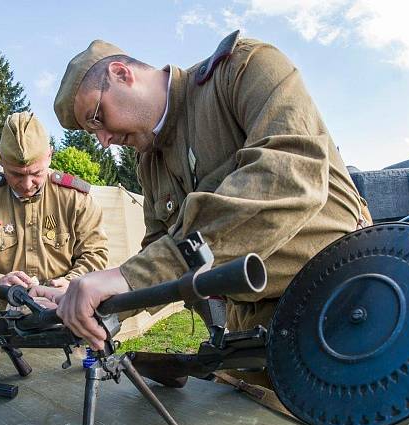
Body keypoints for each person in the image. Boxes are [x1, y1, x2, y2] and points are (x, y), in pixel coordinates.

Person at [38, 31, 371, 355]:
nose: (103, 140)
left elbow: (288, 177)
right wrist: (91, 299)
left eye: (97, 118)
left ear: (121, 74)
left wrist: (127, 278)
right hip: (257, 331)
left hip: (350, 300)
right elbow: (158, 256)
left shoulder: (243, 68)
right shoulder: (149, 163)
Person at [0, 111, 109, 299]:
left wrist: (72, 283)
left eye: (36, 173)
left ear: (49, 156)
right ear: (0, 159)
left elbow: (95, 253)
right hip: (8, 317)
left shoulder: (76, 199)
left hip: (66, 311)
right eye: (17, 174)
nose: (27, 184)